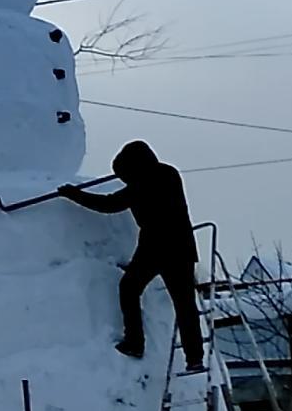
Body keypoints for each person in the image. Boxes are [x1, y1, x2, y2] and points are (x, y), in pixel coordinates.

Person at [58, 140, 205, 373]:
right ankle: (195, 358)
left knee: (129, 289)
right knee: (185, 305)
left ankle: (135, 342)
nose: (125, 179)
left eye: (125, 174)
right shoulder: (168, 174)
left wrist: (74, 194)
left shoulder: (143, 183)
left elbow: (109, 204)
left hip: (156, 248)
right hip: (181, 247)